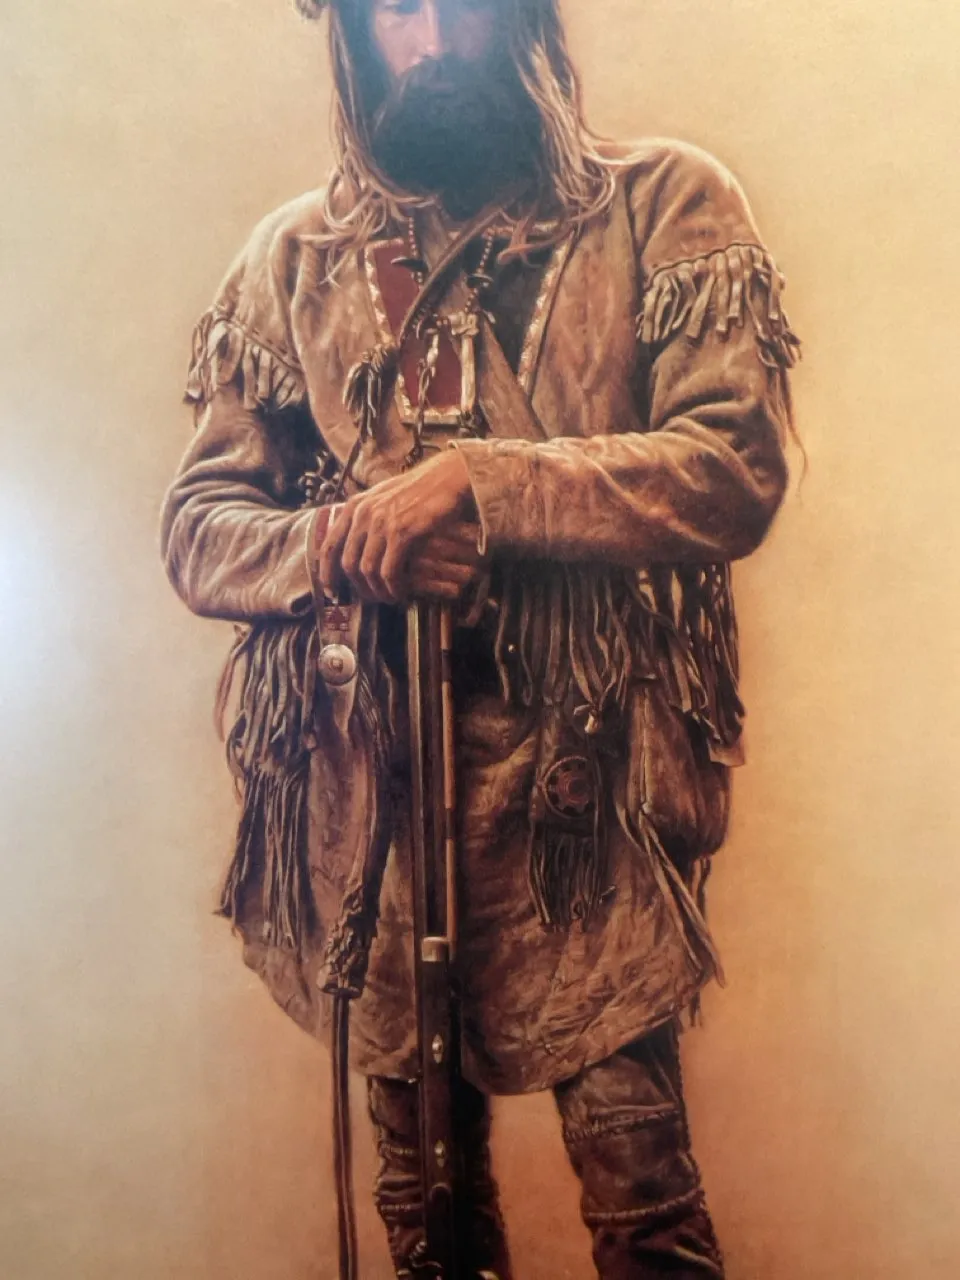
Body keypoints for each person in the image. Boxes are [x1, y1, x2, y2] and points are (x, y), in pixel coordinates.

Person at [160, 0, 799, 1276]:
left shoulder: (664, 205)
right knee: (427, 1219)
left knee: (644, 1203)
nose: (438, 38)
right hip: (379, 803)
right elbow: (202, 526)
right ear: (352, 32)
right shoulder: (293, 262)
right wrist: (348, 541)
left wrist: (482, 488)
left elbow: (732, 467)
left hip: (587, 802)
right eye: (400, 6)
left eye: (469, 1)